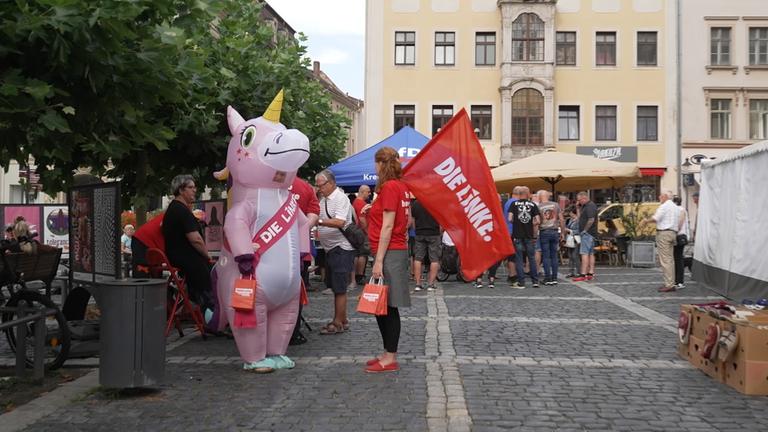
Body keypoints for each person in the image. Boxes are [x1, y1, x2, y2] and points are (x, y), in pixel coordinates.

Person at [362, 146, 410, 373]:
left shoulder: (390, 187)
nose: (374, 167)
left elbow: (389, 225)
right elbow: (405, 220)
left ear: (381, 164)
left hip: (390, 252)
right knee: (381, 305)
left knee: (388, 306)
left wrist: (379, 260)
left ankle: (390, 357)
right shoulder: (400, 186)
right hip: (392, 250)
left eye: (376, 163)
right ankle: (387, 353)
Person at [161, 174, 214, 312]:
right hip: (187, 258)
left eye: (194, 187)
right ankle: (209, 313)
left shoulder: (174, 208)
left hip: (177, 257)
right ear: (180, 190)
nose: (194, 190)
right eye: (190, 187)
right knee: (210, 278)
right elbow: (195, 239)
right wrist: (207, 255)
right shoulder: (181, 210)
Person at [315, 169, 356, 335]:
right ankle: (343, 320)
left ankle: (337, 322)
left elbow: (340, 222)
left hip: (341, 248)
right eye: (318, 186)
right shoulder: (324, 199)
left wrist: (318, 222)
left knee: (339, 288)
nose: (319, 189)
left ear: (331, 183)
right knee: (335, 286)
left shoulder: (340, 198)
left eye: (322, 185)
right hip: (331, 248)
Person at [289, 176, 320, 345]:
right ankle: (293, 332)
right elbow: (313, 216)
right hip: (298, 249)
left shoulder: (265, 181)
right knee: (295, 293)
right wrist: (299, 231)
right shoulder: (305, 187)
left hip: (268, 248)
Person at [644, 190, 679, 292]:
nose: (659, 197)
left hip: (664, 233)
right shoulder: (675, 207)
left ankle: (669, 284)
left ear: (665, 196)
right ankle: (671, 282)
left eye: (660, 195)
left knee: (665, 260)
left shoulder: (664, 206)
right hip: (672, 233)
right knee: (670, 260)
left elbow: (656, 218)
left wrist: (646, 221)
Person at [509, 186, 540, 288]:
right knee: (531, 258)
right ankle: (535, 281)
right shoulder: (533, 204)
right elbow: (538, 221)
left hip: (517, 234)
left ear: (519, 194)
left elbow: (510, 218)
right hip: (529, 235)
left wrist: (517, 223)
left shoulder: (514, 204)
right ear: (528, 194)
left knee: (518, 258)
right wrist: (530, 224)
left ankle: (521, 282)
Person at [410, 199, 441, 291]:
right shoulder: (437, 203)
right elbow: (441, 220)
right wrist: (439, 231)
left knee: (418, 258)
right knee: (434, 259)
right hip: (434, 233)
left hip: (420, 233)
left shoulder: (416, 203)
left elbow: (413, 220)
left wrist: (416, 230)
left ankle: (417, 284)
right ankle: (431, 284)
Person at [537, 190, 565, 286]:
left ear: (540, 197)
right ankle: (554, 278)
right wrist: (563, 233)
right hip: (554, 232)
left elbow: (537, 221)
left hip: (544, 232)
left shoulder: (539, 207)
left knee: (546, 256)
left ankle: (547, 278)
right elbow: (561, 219)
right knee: (554, 256)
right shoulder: (556, 205)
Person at [572, 192, 598, 282]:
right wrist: (578, 208)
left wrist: (585, 230)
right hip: (590, 233)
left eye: (579, 200)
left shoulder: (590, 206)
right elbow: (580, 218)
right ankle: (590, 273)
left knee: (584, 253)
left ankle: (583, 274)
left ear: (584, 198)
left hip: (588, 233)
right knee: (590, 253)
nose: (578, 202)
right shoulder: (585, 206)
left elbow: (591, 219)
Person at [351, 185, 372, 288]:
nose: (370, 194)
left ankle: (357, 275)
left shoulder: (356, 202)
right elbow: (362, 219)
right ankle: (360, 275)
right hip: (362, 232)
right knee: (363, 253)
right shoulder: (361, 203)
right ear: (362, 192)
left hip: (357, 231)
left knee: (358, 254)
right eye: (368, 192)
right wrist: (367, 231)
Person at [673, 196, 690, 289]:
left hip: (679, 236)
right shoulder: (682, 209)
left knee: (678, 259)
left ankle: (679, 281)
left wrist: (675, 231)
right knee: (678, 258)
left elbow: (680, 223)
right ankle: (677, 281)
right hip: (682, 236)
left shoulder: (680, 210)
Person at [502, 191, 519, 283]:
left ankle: (511, 274)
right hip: (513, 230)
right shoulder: (515, 202)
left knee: (510, 254)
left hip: (508, 230)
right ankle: (513, 274)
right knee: (514, 254)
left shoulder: (508, 202)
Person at [564, 206, 581, 277]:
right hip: (570, 239)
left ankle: (578, 271)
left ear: (573, 213)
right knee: (570, 256)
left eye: (570, 213)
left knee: (575, 256)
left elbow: (579, 231)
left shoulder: (578, 221)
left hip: (575, 239)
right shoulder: (570, 220)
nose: (569, 214)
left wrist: (569, 230)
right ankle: (571, 271)